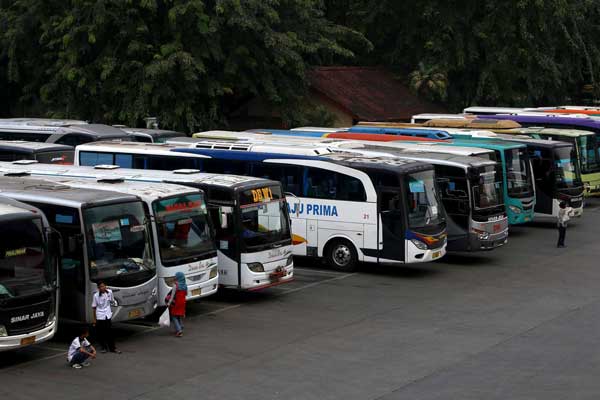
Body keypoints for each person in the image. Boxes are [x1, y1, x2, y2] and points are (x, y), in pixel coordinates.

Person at [92, 281, 121, 353]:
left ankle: (113, 348)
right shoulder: (96, 296)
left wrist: (113, 304)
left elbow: (112, 300)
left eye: (104, 286)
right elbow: (94, 307)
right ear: (98, 288)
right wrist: (94, 319)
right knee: (101, 332)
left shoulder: (110, 292)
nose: (103, 288)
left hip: (107, 314)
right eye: (101, 286)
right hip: (100, 315)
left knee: (109, 332)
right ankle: (103, 347)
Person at [167, 272, 187, 337]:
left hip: (177, 303)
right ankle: (180, 325)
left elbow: (172, 296)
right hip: (183, 302)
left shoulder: (176, 285)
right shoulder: (185, 285)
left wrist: (169, 303)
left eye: (176, 276)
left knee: (173, 316)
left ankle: (179, 330)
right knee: (178, 315)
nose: (175, 277)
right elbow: (186, 294)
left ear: (178, 277)